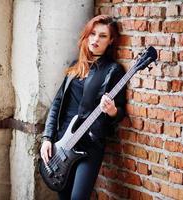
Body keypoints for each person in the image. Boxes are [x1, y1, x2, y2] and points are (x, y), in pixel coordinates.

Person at [40, 15, 126, 200]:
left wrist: (112, 111)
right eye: (92, 33)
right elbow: (57, 103)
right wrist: (47, 138)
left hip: (90, 145)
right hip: (62, 142)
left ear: (111, 41)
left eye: (103, 36)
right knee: (63, 196)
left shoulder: (112, 70)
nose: (95, 39)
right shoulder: (75, 66)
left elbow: (120, 110)